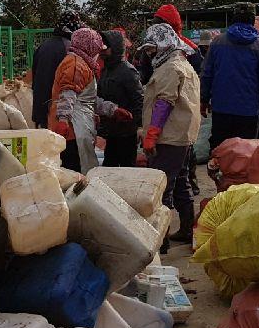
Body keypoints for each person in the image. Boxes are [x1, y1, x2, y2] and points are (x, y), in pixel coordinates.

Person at [139, 23, 201, 246]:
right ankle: (187, 230)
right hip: (183, 136)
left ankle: (160, 239)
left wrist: (151, 135)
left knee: (162, 187)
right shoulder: (182, 63)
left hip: (170, 137)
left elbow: (164, 103)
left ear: (164, 45)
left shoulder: (170, 68)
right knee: (181, 181)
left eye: (151, 49)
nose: (149, 54)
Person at [48, 28, 133, 173]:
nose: (99, 54)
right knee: (76, 173)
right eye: (97, 50)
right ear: (89, 47)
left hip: (77, 127)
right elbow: (68, 94)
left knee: (79, 171)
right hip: (73, 130)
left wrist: (112, 109)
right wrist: (63, 120)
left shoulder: (80, 63)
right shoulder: (76, 65)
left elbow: (88, 99)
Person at [201, 2, 259, 150]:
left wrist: (203, 100)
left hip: (221, 110)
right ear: (252, 20)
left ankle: (220, 173)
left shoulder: (217, 42)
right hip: (249, 111)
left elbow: (206, 74)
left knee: (220, 153)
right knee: (245, 155)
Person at [97, 29, 143, 167]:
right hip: (111, 133)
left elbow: (138, 99)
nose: (102, 50)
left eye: (106, 47)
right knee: (109, 168)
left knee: (126, 169)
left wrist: (139, 126)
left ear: (115, 47)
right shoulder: (106, 70)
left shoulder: (128, 71)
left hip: (126, 133)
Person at [32, 10, 80, 130]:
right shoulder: (70, 49)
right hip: (58, 112)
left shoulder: (43, 46)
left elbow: (34, 76)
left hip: (41, 108)